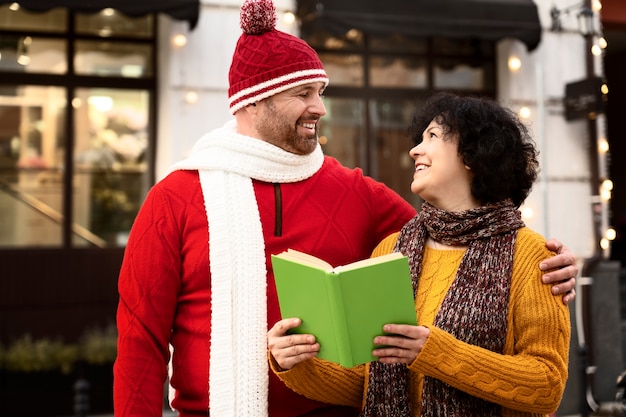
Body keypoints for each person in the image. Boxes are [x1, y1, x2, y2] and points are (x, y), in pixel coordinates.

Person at [113, 0, 576, 416]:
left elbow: (460, 235)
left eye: (322, 92)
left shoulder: (358, 192)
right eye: (303, 94)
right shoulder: (174, 197)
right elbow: (140, 338)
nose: (320, 108)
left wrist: (555, 264)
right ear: (253, 101)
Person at [268, 93, 572, 416]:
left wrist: (433, 351)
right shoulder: (391, 250)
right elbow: (369, 383)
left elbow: (547, 386)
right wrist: (296, 364)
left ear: (472, 156)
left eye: (432, 137)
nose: (414, 150)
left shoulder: (531, 255)